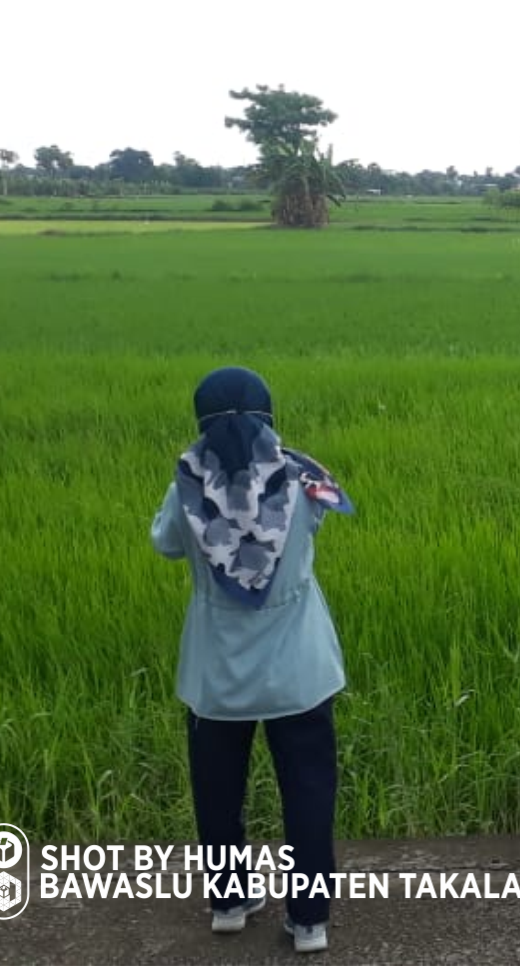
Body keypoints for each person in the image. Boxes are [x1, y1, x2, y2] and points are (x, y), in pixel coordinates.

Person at [151, 367, 353, 956]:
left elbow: (165, 543)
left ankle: (229, 904)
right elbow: (323, 515)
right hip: (298, 669)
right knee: (309, 790)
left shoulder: (185, 488)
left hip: (217, 673)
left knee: (218, 790)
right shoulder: (299, 477)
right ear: (268, 416)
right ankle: (310, 920)